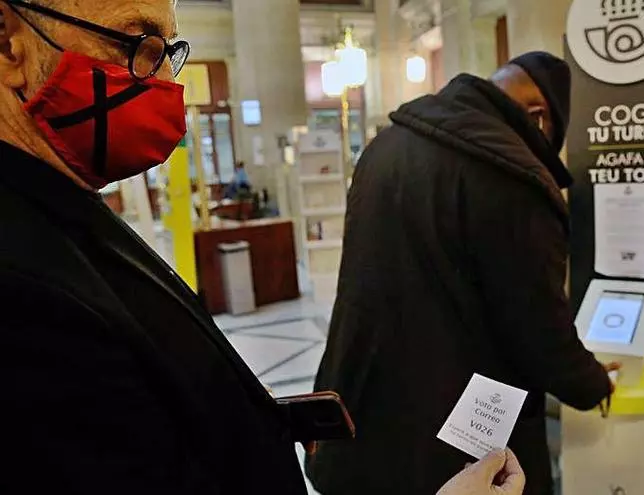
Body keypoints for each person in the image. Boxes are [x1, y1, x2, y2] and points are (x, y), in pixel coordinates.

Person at [0, 1, 522, 494]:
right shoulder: (23, 293)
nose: (165, 84)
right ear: (8, 43)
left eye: (167, 53)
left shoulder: (62, 207)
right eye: (135, 43)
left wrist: (254, 418)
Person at [308, 52, 618, 495]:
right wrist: (592, 383)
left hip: (360, 416)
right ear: (538, 117)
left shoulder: (386, 146)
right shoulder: (514, 177)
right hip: (453, 448)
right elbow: (538, 329)